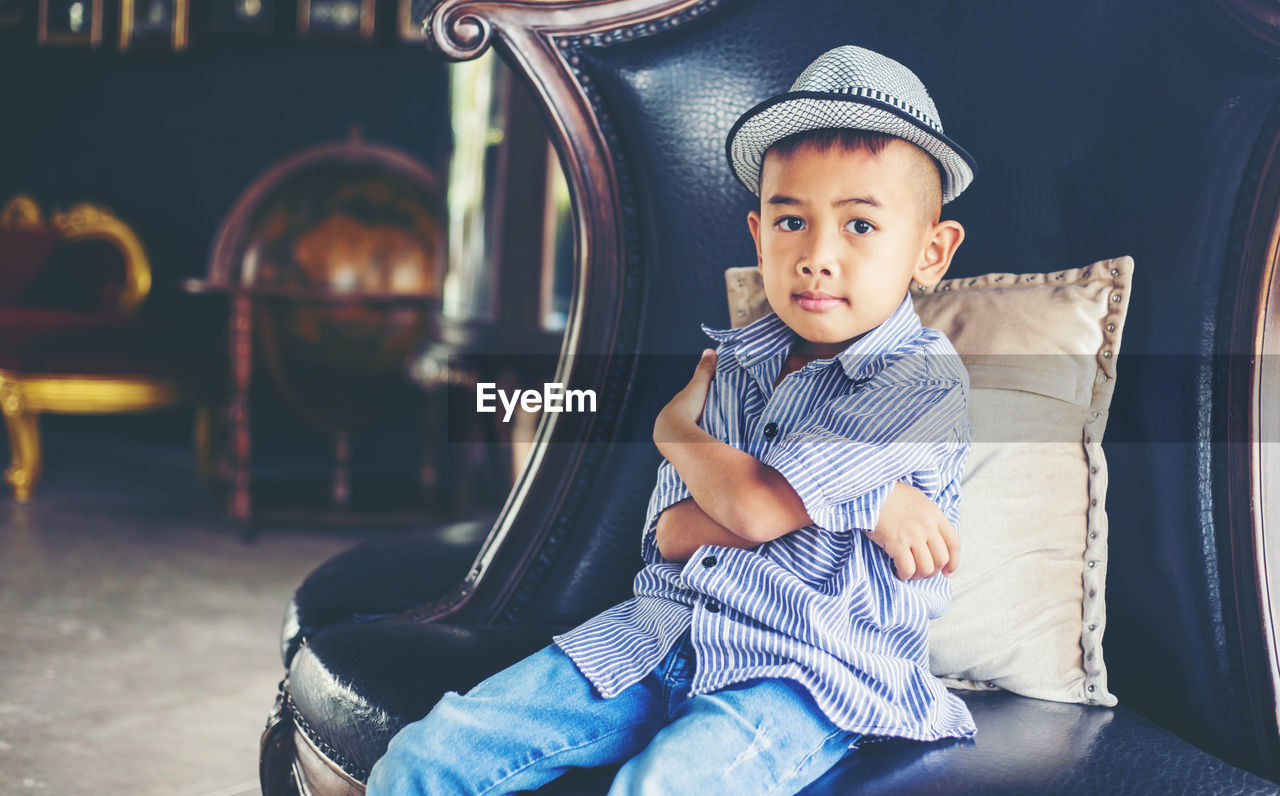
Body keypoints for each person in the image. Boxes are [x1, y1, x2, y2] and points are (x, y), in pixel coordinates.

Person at [367, 44, 979, 796]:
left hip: (803, 675)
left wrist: (677, 434)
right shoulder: (735, 363)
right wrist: (857, 504)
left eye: (859, 226)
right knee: (426, 755)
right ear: (758, 235)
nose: (818, 256)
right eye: (792, 221)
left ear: (930, 251)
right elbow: (669, 533)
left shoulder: (918, 376)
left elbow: (750, 509)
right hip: (654, 635)